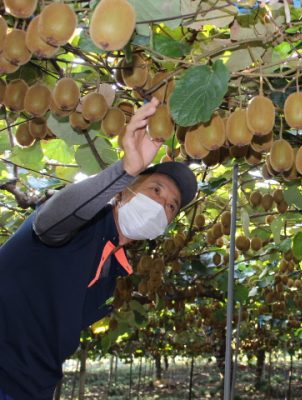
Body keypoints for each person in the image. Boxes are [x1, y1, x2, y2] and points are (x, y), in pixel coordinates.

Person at [0, 98, 197, 400]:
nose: (161, 204)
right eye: (155, 189)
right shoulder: (75, 226)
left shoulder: (112, 274)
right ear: (123, 192)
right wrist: (125, 169)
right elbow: (54, 216)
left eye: (171, 206)